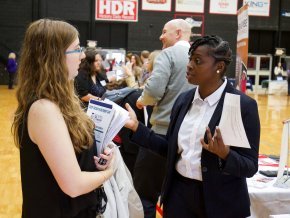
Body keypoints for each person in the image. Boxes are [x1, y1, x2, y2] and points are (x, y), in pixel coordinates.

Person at [125, 35, 260, 218]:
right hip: (179, 198)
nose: (189, 65)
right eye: (190, 59)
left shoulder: (241, 106)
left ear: (219, 67)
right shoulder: (183, 100)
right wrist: (137, 128)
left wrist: (225, 154)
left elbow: (250, 166)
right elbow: (170, 149)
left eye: (197, 61)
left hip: (220, 203)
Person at [12, 19, 115, 218]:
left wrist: (96, 164)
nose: (83, 55)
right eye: (77, 49)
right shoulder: (44, 109)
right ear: (54, 57)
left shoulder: (59, 101)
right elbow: (73, 185)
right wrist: (110, 172)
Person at [133, 19, 193, 218]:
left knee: (144, 194)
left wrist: (142, 100)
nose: (160, 36)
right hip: (189, 137)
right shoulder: (200, 56)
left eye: (164, 31)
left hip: (161, 134)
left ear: (177, 33)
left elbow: (154, 89)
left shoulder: (169, 54)